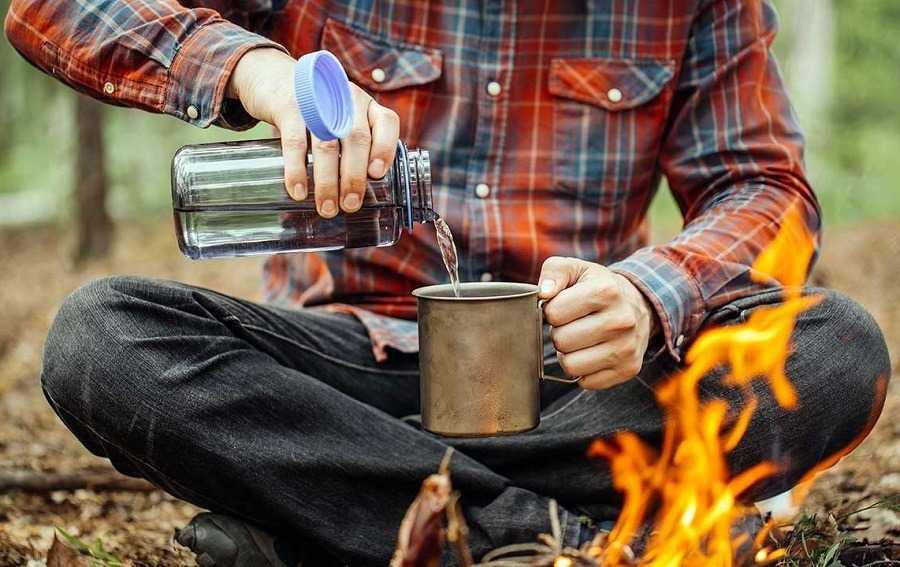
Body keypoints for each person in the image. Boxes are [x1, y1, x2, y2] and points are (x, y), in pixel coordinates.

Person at [5, 0, 891, 565]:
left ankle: (322, 511)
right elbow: (54, 9)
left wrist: (651, 290)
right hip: (340, 364)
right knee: (101, 338)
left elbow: (765, 187)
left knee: (839, 348)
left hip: (574, 385)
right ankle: (548, 535)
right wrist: (254, 69)